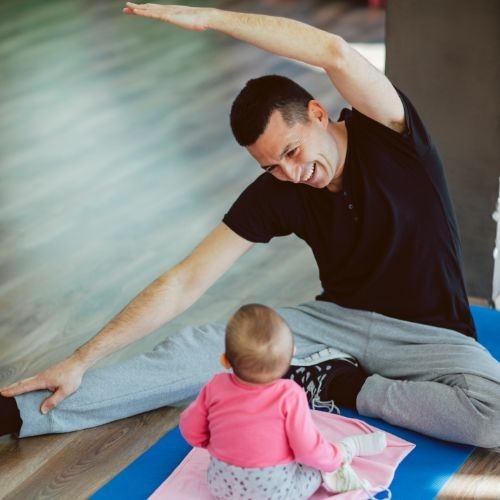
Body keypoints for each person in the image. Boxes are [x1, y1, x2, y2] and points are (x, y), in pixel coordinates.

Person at [1, 3, 499, 448]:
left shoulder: (393, 137)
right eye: (271, 166)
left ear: (317, 113)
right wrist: (81, 359)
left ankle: (340, 384)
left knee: (494, 418)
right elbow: (184, 281)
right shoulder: (279, 190)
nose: (291, 173)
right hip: (333, 325)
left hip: (428, 334)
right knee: (200, 353)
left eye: (292, 151)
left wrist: (213, 18)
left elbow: (334, 51)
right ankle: (16, 414)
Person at [179, 303, 387, 499]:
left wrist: (212, 443)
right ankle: (346, 450)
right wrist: (331, 460)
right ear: (292, 356)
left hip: (221, 486)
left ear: (224, 360)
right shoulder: (290, 394)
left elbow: (190, 428)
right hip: (278, 494)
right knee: (317, 467)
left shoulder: (215, 386)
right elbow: (308, 450)